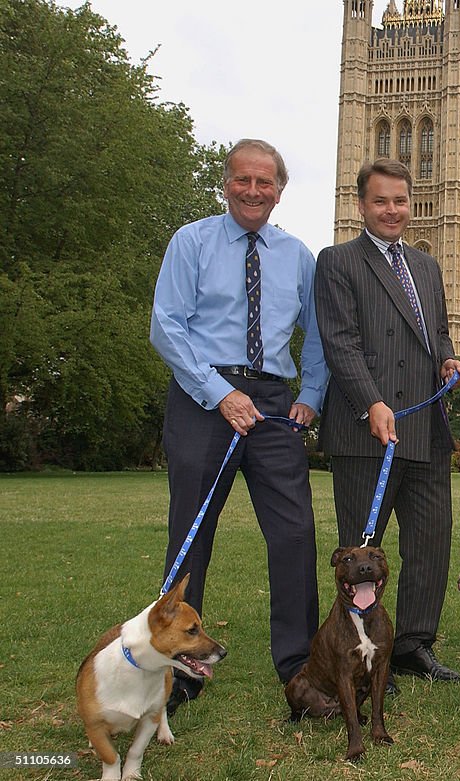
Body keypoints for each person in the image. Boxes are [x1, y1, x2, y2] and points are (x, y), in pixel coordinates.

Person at [150, 138, 327, 713]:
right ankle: (178, 673)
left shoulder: (297, 254)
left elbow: (318, 333)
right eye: (242, 180)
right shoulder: (192, 241)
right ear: (226, 183)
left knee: (296, 534)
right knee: (191, 535)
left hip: (274, 402)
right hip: (203, 396)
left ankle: (302, 674)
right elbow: (166, 327)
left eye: (265, 182)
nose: (253, 191)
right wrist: (220, 392)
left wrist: (312, 394)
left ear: (280, 190)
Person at [314, 158, 460, 686]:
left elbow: (438, 334)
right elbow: (341, 342)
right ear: (361, 205)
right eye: (380, 201)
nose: (392, 210)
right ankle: (356, 650)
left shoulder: (426, 266)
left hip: (424, 428)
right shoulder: (337, 261)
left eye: (400, 200)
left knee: (430, 541)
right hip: (365, 431)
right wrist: (372, 402)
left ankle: (412, 646)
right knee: (361, 552)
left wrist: (447, 359)